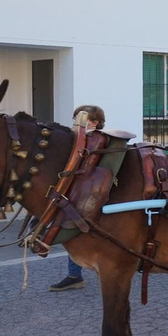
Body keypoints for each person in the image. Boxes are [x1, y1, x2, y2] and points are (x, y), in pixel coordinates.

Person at [49, 104, 107, 292]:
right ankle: (75, 275)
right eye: (75, 118)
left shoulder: (99, 140)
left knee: (79, 232)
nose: (76, 123)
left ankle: (83, 274)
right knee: (73, 232)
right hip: (77, 193)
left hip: (91, 195)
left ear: (95, 123)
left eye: (82, 119)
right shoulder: (78, 139)